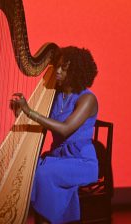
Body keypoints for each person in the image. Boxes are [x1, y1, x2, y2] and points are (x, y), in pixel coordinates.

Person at [11, 46, 99, 223]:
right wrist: (19, 112)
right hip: (57, 156)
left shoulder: (87, 99)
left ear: (75, 72)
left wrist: (30, 112)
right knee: (27, 170)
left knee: (43, 174)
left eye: (63, 69)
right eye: (57, 66)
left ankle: (46, 221)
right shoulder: (54, 95)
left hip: (80, 161)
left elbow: (64, 129)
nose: (57, 71)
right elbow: (43, 124)